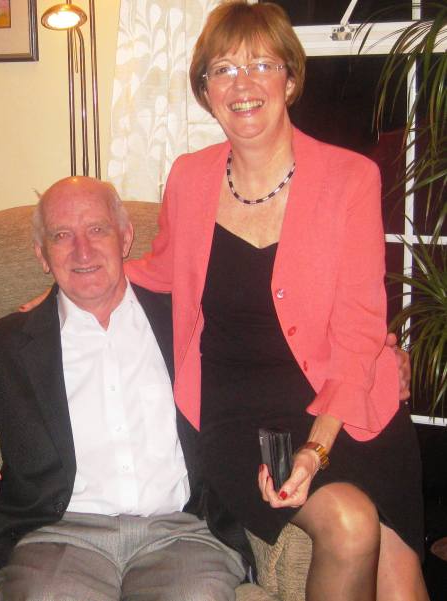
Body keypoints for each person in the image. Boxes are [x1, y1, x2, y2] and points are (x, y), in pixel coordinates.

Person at [122, 2, 427, 600]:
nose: (243, 84)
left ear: (290, 77)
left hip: (348, 403)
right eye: (223, 69)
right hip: (240, 416)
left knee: (402, 573)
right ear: (205, 91)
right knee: (347, 522)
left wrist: (317, 448)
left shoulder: (350, 178)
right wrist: (67, 289)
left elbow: (362, 327)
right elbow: (159, 271)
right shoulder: (188, 177)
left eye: (262, 63)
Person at [0, 176, 246, 601]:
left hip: (182, 533)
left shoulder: (189, 318)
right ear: (42, 255)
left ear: (125, 238)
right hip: (59, 537)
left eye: (97, 229)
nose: (82, 250)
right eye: (61, 235)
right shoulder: (7, 347)